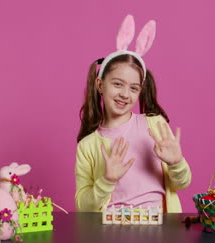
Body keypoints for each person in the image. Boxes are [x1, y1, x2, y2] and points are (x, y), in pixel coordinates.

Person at [75, 15, 191, 213]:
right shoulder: (87, 146)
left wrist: (176, 163)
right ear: (100, 85)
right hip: (110, 234)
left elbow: (182, 183)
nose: (124, 94)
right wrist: (107, 180)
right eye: (118, 84)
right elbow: (82, 206)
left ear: (140, 91)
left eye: (133, 88)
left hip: (158, 231)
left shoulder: (155, 126)